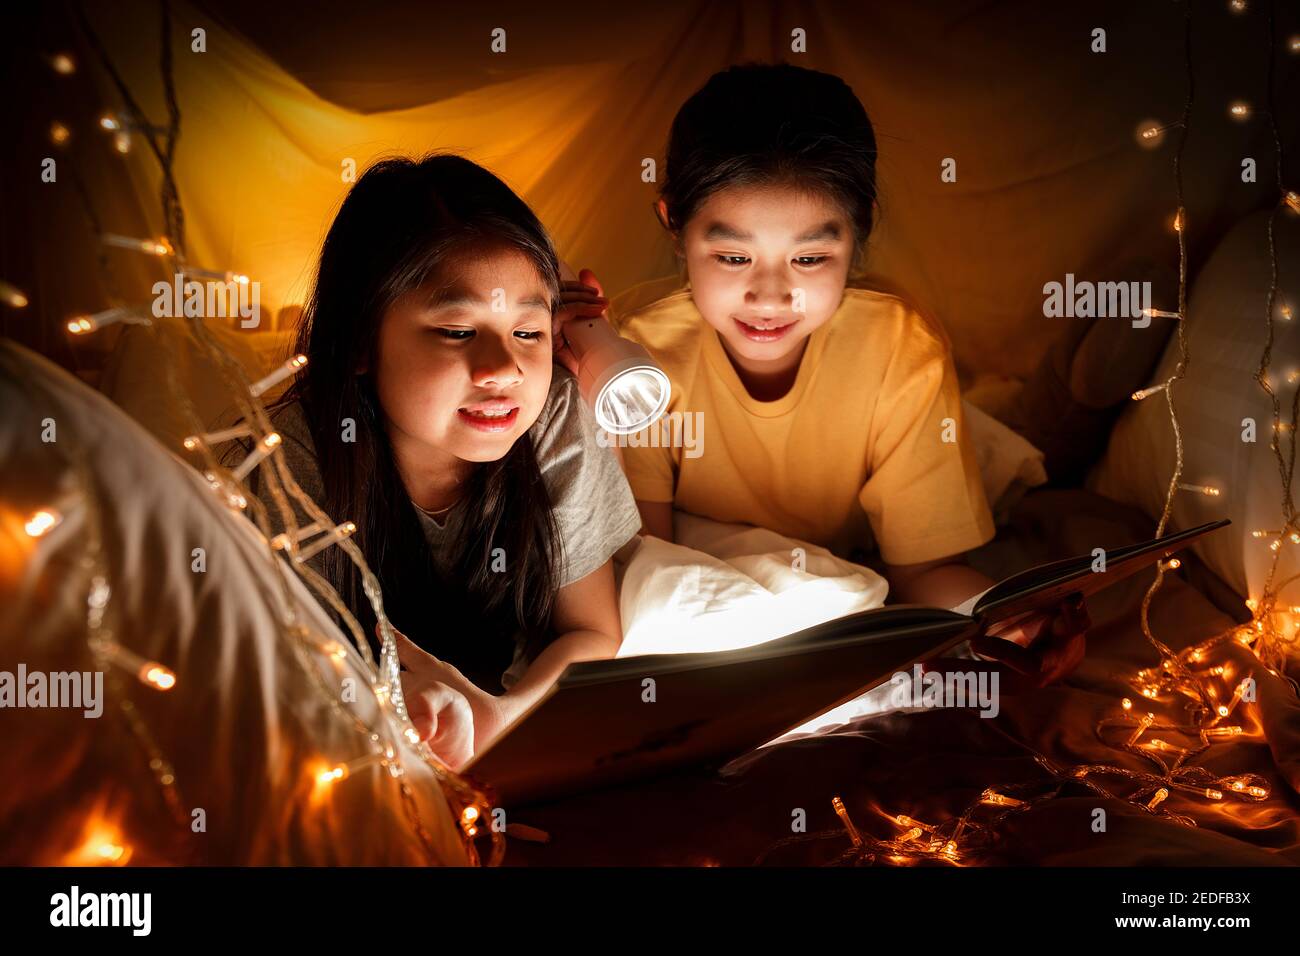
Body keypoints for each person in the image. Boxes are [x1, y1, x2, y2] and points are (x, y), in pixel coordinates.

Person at [584, 64, 1086, 689]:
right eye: (733, 257)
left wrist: (1008, 617)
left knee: (1021, 447)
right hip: (720, 545)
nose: (770, 295)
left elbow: (927, 571)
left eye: (812, 257)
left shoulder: (896, 345)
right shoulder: (635, 352)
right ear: (674, 225)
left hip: (898, 475)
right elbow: (652, 565)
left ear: (861, 228)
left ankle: (1070, 397)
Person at [242, 155, 641, 765]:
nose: (503, 369)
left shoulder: (554, 414)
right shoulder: (287, 459)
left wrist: (499, 719)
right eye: (457, 331)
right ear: (358, 343)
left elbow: (592, 630)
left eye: (527, 333)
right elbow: (295, 671)